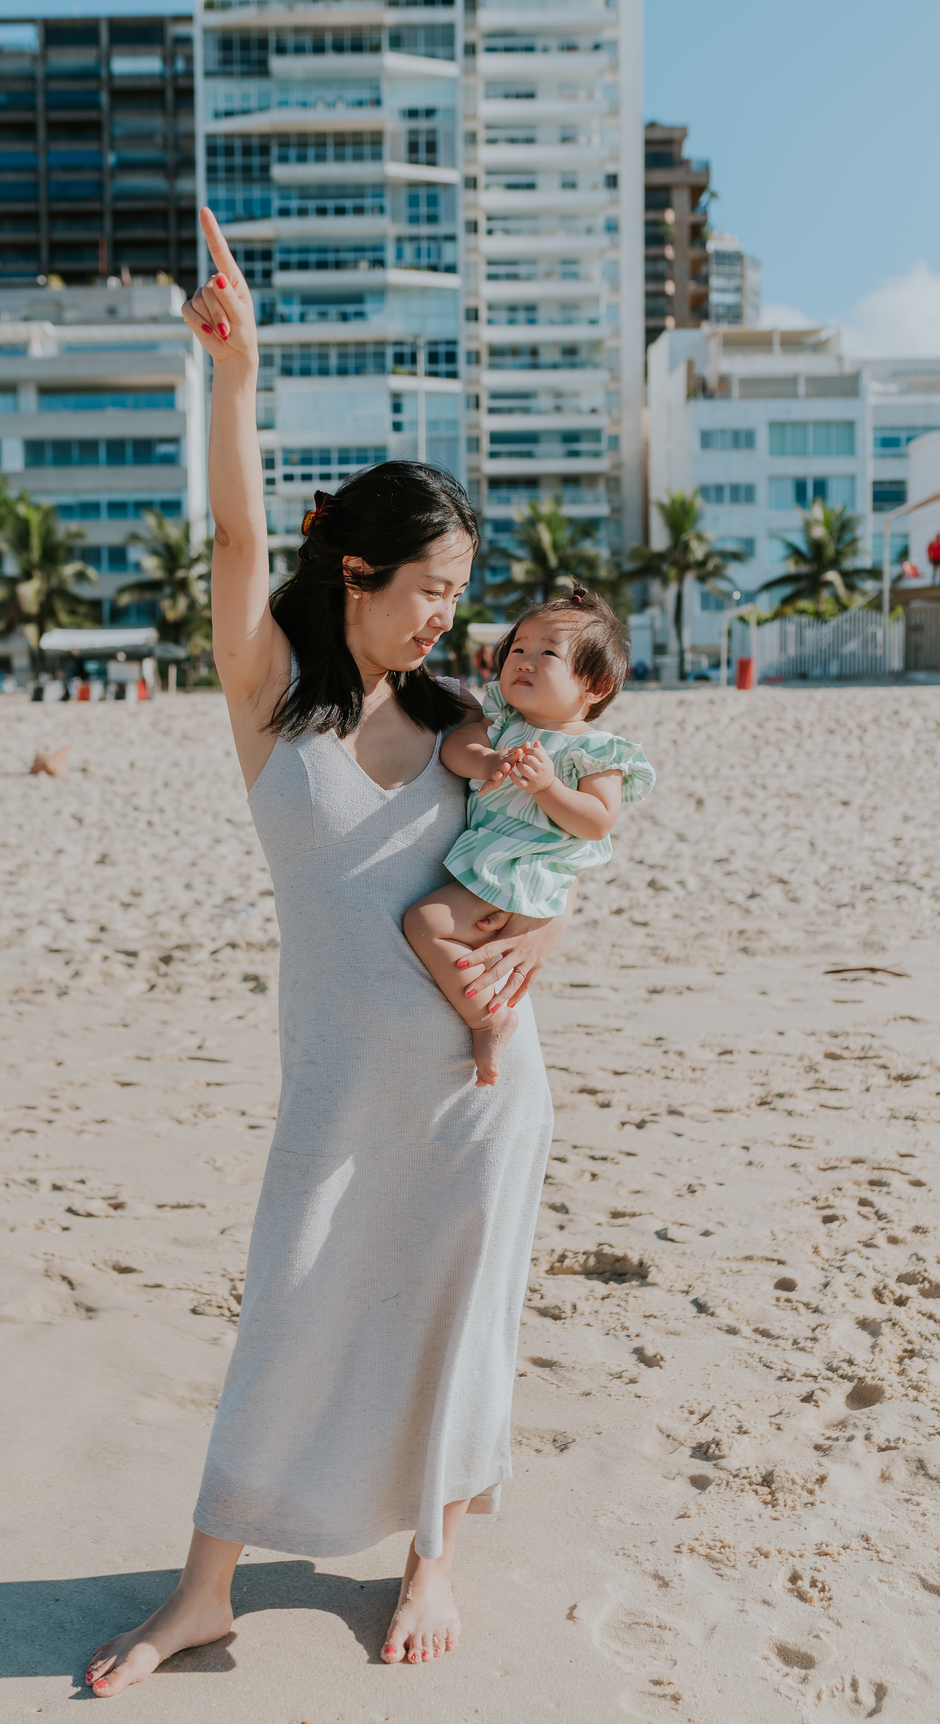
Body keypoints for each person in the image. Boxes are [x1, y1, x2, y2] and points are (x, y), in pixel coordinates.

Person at [84, 208, 574, 1696]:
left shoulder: (460, 726)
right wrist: (236, 374)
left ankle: (430, 1549)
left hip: (477, 1080)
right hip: (334, 1079)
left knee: (452, 1304)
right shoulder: (271, 692)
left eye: (460, 594)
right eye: (432, 587)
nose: (451, 616)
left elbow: (554, 843)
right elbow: (240, 535)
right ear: (357, 569)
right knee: (295, 1303)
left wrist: (541, 924)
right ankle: (203, 1593)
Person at [404, 592, 654, 1086]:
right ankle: (483, 998)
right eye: (518, 649)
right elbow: (457, 747)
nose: (525, 662)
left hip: (526, 870)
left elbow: (598, 821)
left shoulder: (596, 750)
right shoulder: (501, 721)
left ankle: (486, 1017)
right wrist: (487, 760)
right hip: (491, 862)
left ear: (596, 685)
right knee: (433, 924)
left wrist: (549, 788)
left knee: (425, 921)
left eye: (548, 654)